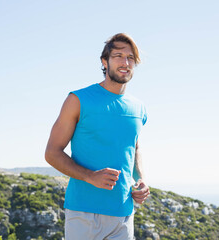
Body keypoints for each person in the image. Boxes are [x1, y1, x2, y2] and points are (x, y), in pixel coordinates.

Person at [45, 33, 150, 240]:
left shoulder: (139, 108)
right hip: (83, 214)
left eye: (130, 58)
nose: (125, 62)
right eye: (118, 55)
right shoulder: (78, 99)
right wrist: (90, 176)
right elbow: (52, 153)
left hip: (123, 215)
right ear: (105, 61)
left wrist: (141, 181)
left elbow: (134, 147)